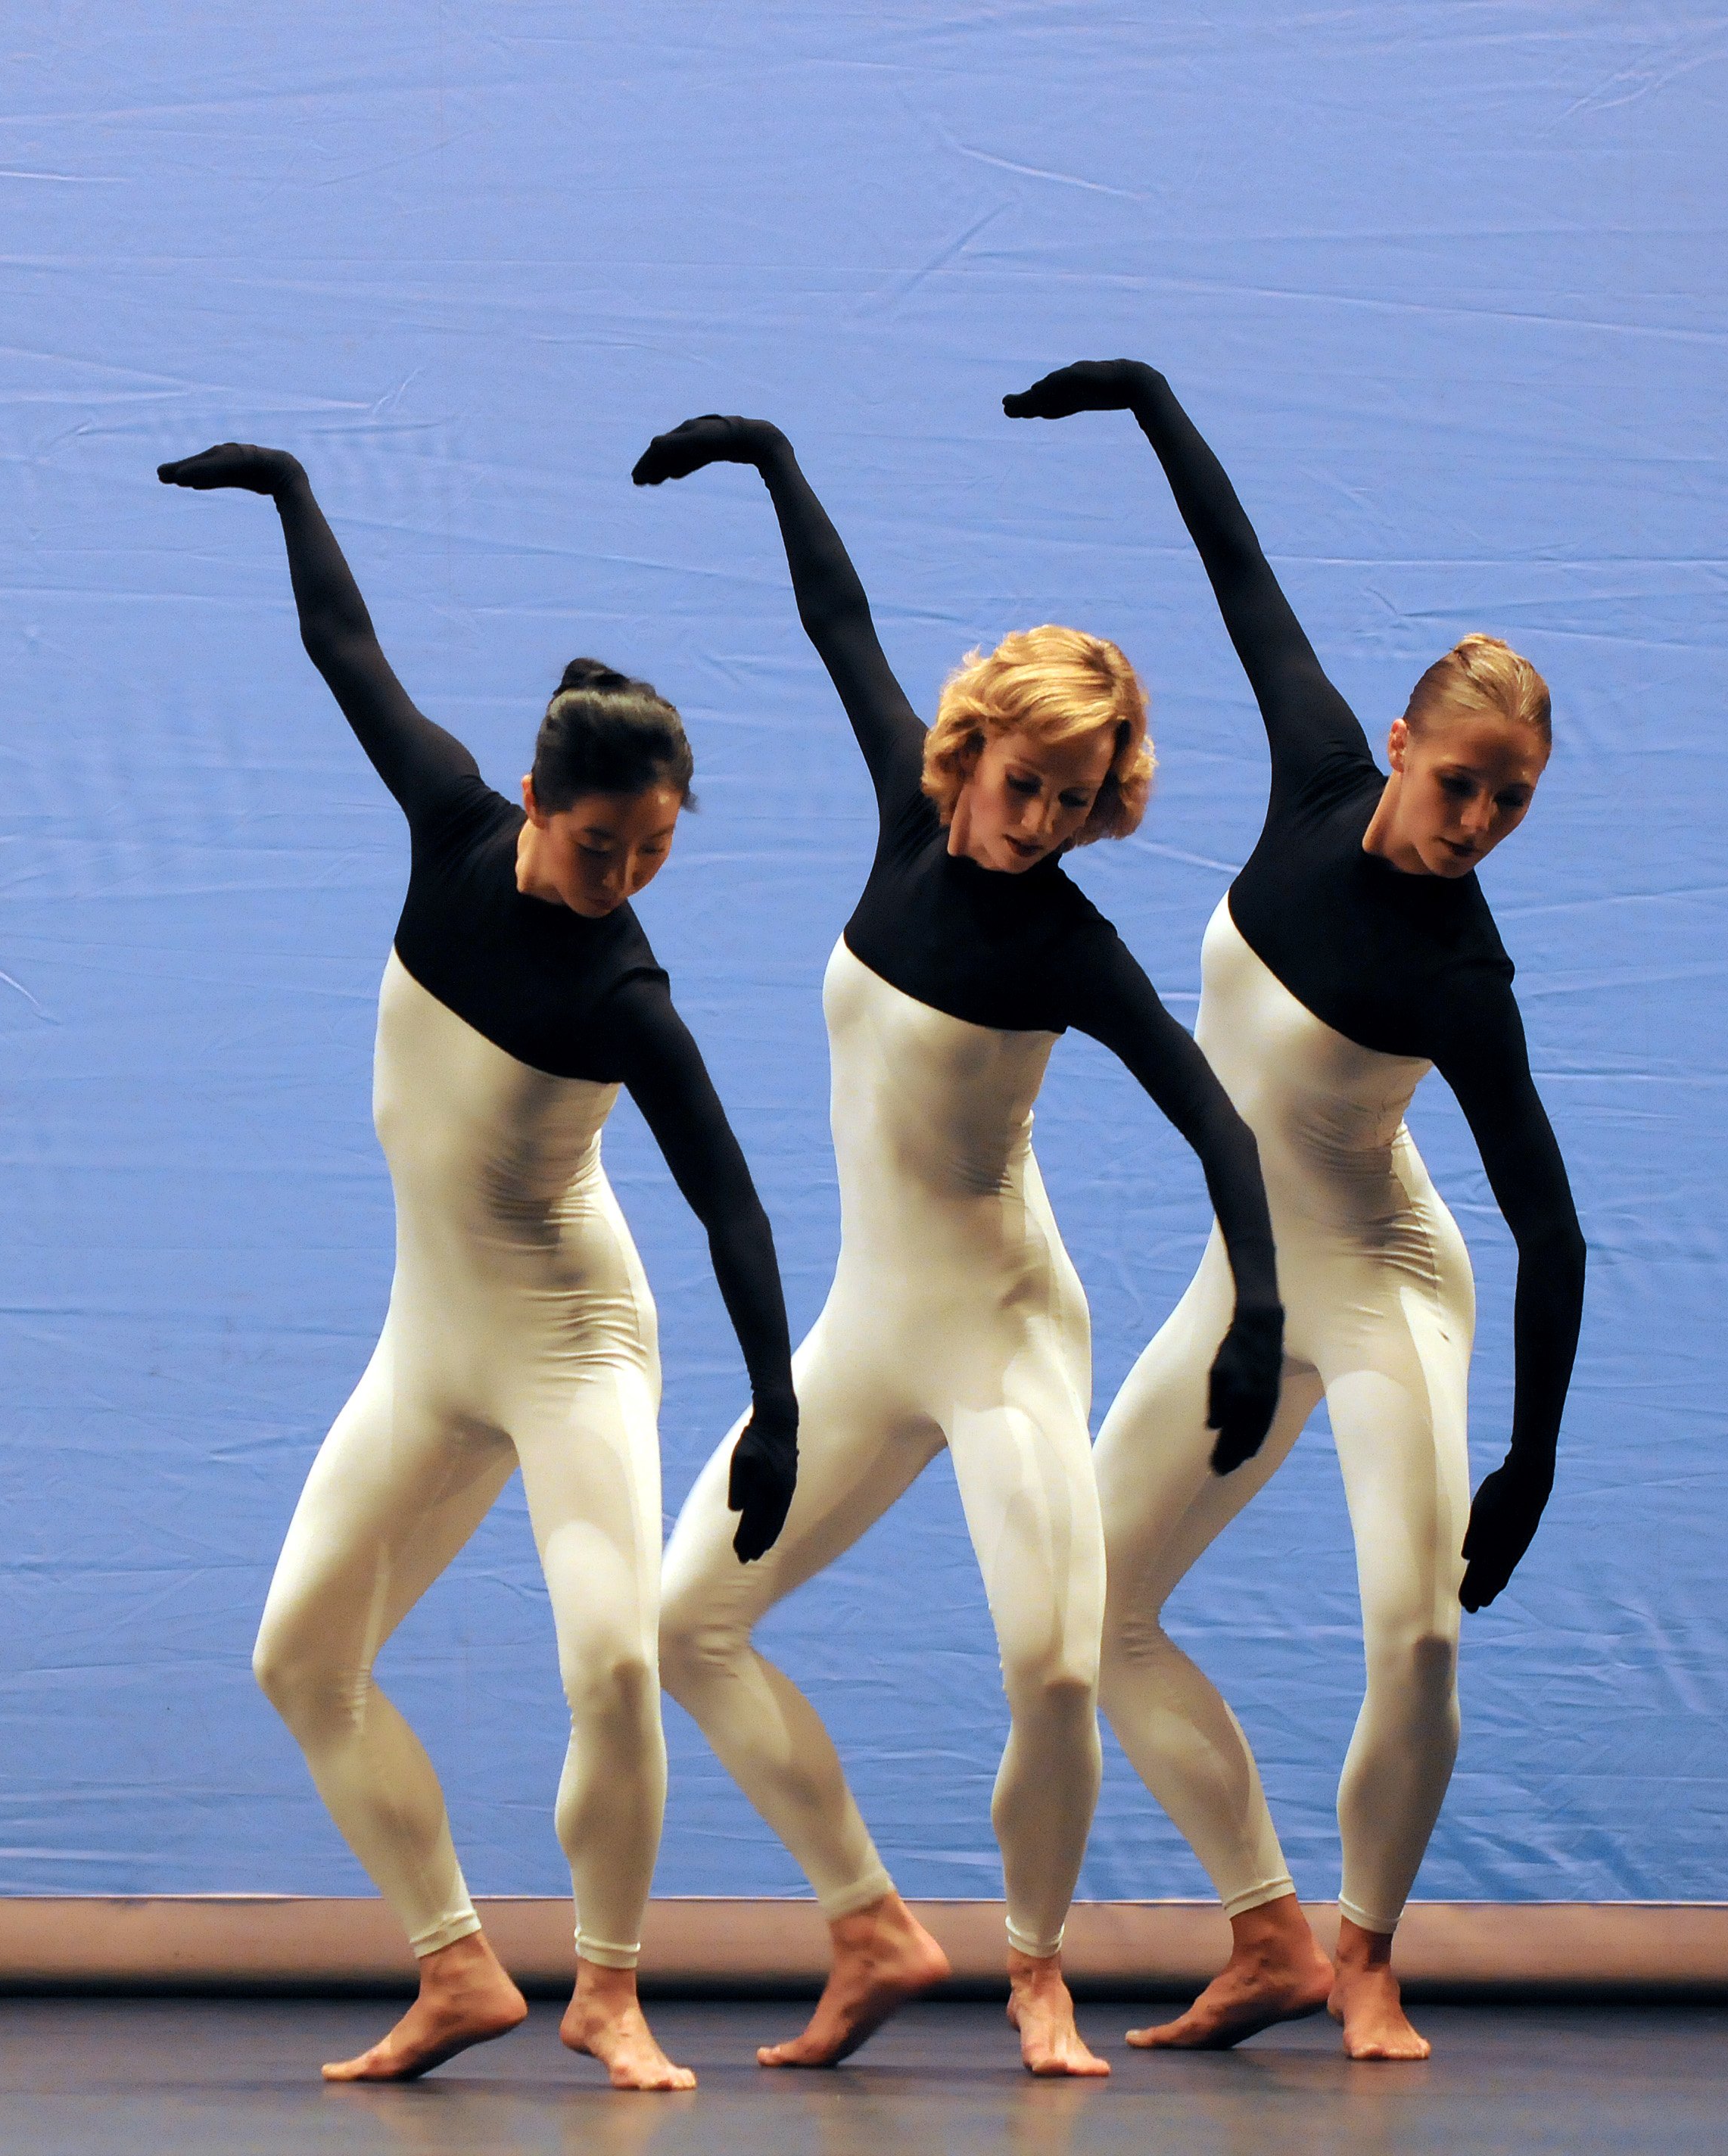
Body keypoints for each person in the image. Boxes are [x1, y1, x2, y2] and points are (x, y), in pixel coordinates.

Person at [633, 414, 1285, 2079]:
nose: (1038, 823)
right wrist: (775, 458)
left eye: (1075, 801)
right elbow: (838, 622)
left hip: (1005, 1334)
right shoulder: (900, 820)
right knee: (681, 1620)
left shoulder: (1067, 939)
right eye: (1021, 786)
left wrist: (1257, 1304)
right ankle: (866, 1923)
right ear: (968, 753)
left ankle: (1038, 1973)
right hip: (868, 1330)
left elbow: (1215, 1118)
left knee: (1051, 1670)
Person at [159, 441, 805, 2092]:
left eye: (657, 850)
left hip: (576, 1341)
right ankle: (454, 1962)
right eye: (606, 846)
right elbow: (344, 652)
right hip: (432, 1343)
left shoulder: (624, 996)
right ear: (534, 804)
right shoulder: (446, 822)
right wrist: (292, 488)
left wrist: (778, 1401)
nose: (629, 878)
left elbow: (730, 1200)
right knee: (299, 1656)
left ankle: (608, 1984)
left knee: (610, 1654)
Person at [1003, 360, 1587, 2061]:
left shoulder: (1465, 975)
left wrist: (1528, 1457)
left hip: (1388, 1287)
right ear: (1396, 743)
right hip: (1249, 1283)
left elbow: (1549, 1227)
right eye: (1459, 778)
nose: (1474, 823)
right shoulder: (1314, 768)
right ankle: (1263, 1925)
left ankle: (1366, 1949)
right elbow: (1234, 563)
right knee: (1089, 1608)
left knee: (1412, 1638)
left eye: (1510, 803)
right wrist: (1145, 401)